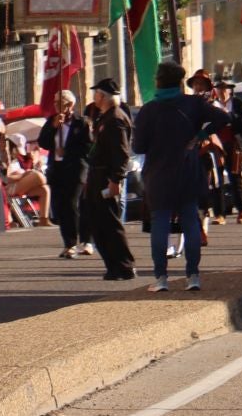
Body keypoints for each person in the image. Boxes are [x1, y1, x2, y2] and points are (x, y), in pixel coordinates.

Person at [130, 60, 231, 291]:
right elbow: (225, 118)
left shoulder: (148, 110)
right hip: (188, 170)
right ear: (179, 81)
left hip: (158, 175)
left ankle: (161, 279)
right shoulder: (193, 103)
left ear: (158, 81)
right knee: (190, 221)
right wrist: (200, 134)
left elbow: (138, 147)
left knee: (160, 224)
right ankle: (193, 276)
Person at [84, 79, 135, 281]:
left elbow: (121, 154)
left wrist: (115, 179)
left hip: (105, 176)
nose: (94, 97)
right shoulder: (104, 118)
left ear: (103, 96)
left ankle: (124, 265)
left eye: (96, 93)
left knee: (110, 223)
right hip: (97, 174)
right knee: (98, 223)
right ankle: (113, 265)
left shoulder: (115, 119)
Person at [38, 91, 92, 258]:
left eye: (60, 103)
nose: (57, 106)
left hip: (75, 169)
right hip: (57, 169)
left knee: (72, 203)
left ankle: (77, 242)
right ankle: (68, 242)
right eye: (55, 103)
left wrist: (67, 151)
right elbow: (43, 143)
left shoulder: (81, 123)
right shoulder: (52, 121)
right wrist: (53, 128)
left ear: (70, 105)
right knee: (61, 207)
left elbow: (88, 147)